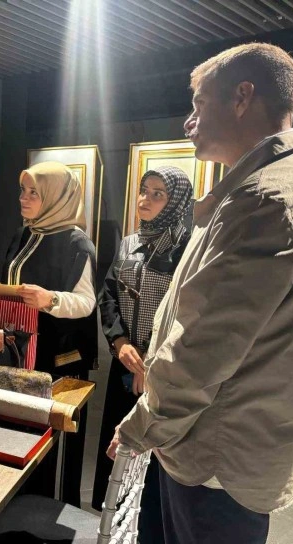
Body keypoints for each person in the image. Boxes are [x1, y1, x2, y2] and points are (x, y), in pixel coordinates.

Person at [110, 43, 293, 544]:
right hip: (231, 441)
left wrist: (141, 427)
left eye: (199, 103)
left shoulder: (263, 199)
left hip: (215, 453)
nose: (189, 121)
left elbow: (206, 345)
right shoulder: (267, 187)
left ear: (242, 97)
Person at [91, 166, 193, 541]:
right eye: (143, 190)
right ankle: (114, 524)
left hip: (162, 373)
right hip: (125, 361)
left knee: (153, 460)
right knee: (117, 448)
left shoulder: (187, 250)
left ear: (176, 202)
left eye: (157, 194)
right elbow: (109, 295)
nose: (145, 199)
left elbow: (185, 313)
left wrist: (150, 362)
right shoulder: (129, 242)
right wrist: (119, 343)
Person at [1, 161, 97, 507]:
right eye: (22, 190)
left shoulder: (77, 244)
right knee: (22, 432)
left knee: (53, 439)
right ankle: (20, 506)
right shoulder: (24, 234)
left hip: (57, 357)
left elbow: (87, 302)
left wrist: (50, 299)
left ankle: (49, 511)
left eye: (34, 193)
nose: (23, 198)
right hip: (21, 351)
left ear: (57, 198)